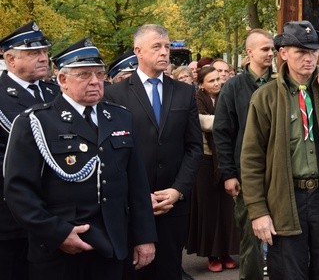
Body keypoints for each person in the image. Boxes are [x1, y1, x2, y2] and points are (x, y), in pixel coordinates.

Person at [4, 38, 156, 280]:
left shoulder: (120, 118)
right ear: (62, 80)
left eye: (99, 73)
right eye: (84, 75)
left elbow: (137, 185)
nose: (95, 81)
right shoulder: (36, 122)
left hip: (113, 245)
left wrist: (145, 236)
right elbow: (18, 191)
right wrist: (58, 233)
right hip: (59, 250)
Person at [240, 20, 319, 279]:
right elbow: (251, 159)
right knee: (287, 273)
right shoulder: (266, 97)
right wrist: (258, 211)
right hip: (286, 202)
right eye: (301, 52)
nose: (310, 59)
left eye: (314, 52)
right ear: (283, 53)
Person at [104, 24, 203, 280]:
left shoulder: (184, 92)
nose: (164, 52)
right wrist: (137, 196)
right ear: (138, 51)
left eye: (167, 47)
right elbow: (111, 155)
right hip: (132, 206)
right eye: (156, 47)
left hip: (173, 204)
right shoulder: (115, 94)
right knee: (135, 270)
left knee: (170, 270)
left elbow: (193, 147)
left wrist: (178, 190)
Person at [0, 21, 60, 279]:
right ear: (10, 59)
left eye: (45, 52)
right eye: (34, 53)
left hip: (59, 212)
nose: (44, 58)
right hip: (12, 218)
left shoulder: (56, 92)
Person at [213, 28, 274, 280]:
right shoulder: (233, 87)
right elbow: (222, 133)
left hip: (280, 172)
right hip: (246, 175)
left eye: (272, 48)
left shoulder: (281, 82)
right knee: (251, 238)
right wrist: (228, 173)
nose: (271, 53)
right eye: (265, 49)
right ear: (249, 53)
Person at [186, 66, 238, 272]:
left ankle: (226, 251)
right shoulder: (196, 100)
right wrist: (228, 122)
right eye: (211, 80)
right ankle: (212, 254)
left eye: (219, 79)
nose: (217, 83)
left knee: (226, 210)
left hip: (225, 159)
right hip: (205, 160)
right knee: (208, 210)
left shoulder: (227, 96)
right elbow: (204, 123)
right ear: (201, 84)